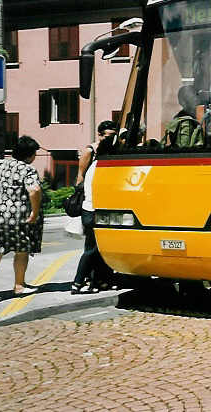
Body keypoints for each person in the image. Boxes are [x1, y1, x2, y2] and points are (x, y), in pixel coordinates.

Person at [0, 136, 44, 301]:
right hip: (16, 219)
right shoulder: (26, 169)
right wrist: (34, 212)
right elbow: (34, 190)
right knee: (21, 250)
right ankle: (19, 286)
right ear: (29, 155)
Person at [71, 120, 118, 294]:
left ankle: (99, 281)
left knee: (97, 249)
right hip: (93, 211)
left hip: (91, 209)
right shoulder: (99, 166)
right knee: (92, 250)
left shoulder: (97, 166)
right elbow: (81, 180)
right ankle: (77, 283)